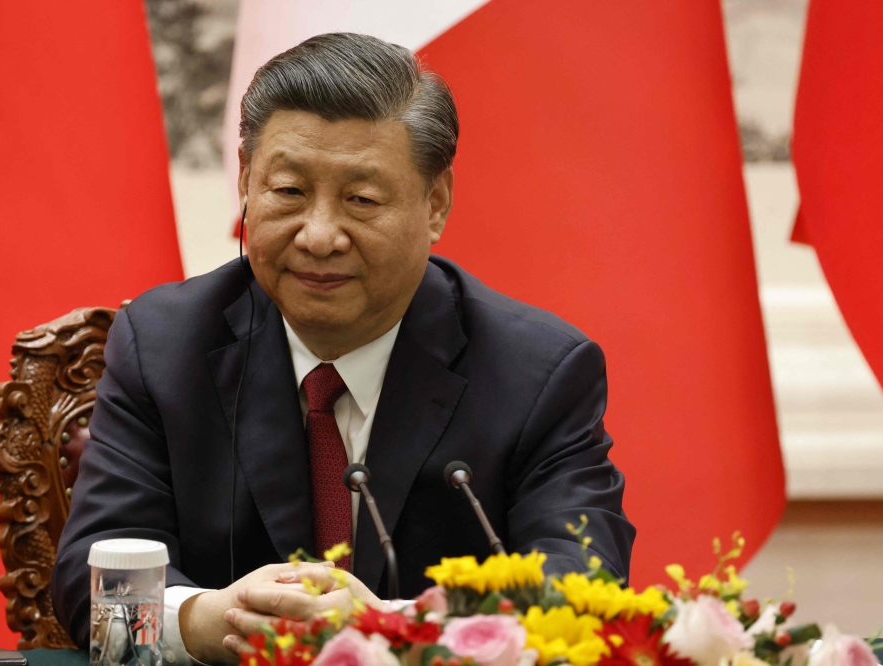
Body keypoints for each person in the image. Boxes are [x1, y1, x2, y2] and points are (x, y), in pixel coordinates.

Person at [52, 32, 635, 665]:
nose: (320, 235)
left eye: (360, 200)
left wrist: (386, 626)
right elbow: (96, 584)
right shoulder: (162, 346)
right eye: (289, 192)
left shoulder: (540, 373)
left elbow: (583, 584)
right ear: (246, 182)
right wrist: (210, 619)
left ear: (434, 203)